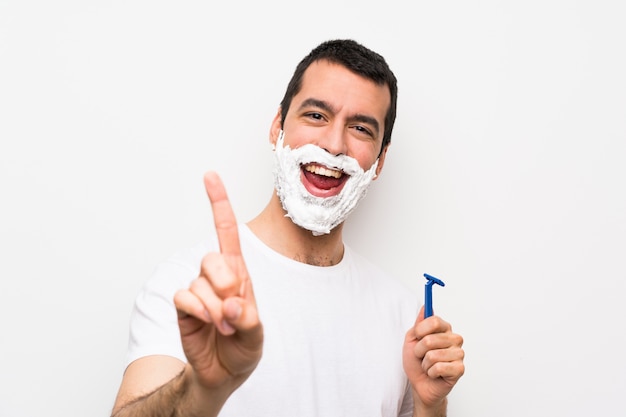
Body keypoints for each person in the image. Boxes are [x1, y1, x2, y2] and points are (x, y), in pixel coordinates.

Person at [111, 39, 465, 417]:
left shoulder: (402, 314)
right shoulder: (190, 286)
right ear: (277, 127)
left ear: (379, 161)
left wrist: (431, 404)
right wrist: (204, 387)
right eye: (316, 116)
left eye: (360, 128)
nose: (333, 145)